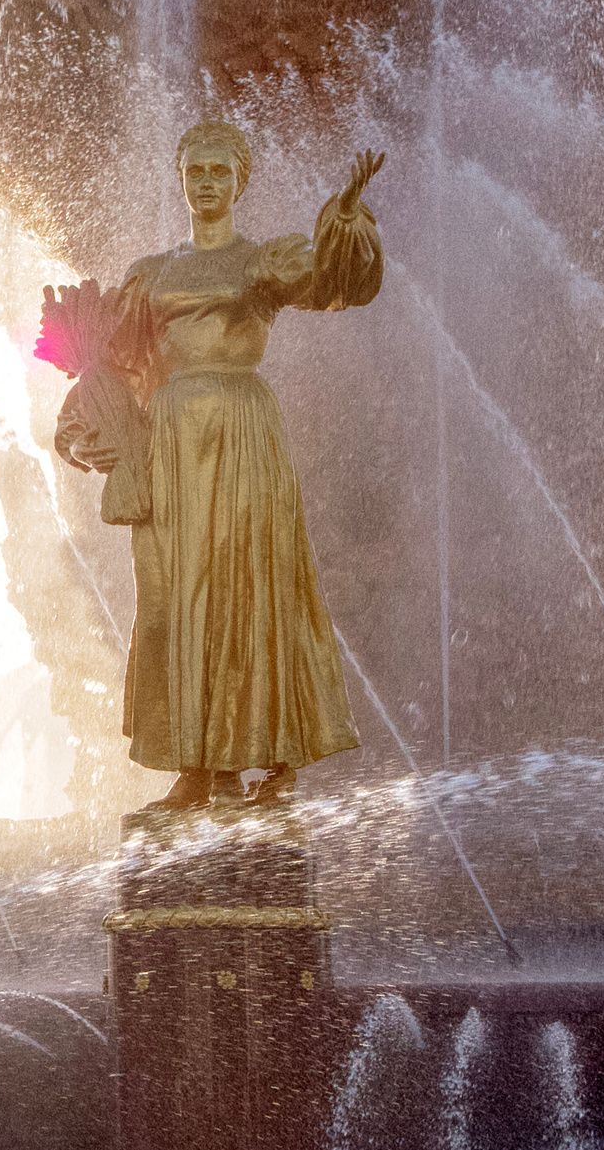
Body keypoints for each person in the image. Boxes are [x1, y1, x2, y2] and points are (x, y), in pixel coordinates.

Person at [57, 121, 385, 810]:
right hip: (174, 440)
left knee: (253, 583)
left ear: (240, 181)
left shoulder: (262, 261)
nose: (205, 181)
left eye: (218, 171)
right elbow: (110, 362)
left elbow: (332, 284)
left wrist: (345, 216)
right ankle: (198, 765)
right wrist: (84, 417)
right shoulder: (153, 273)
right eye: (195, 170)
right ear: (181, 179)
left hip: (241, 429)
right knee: (178, 596)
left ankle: (275, 752)